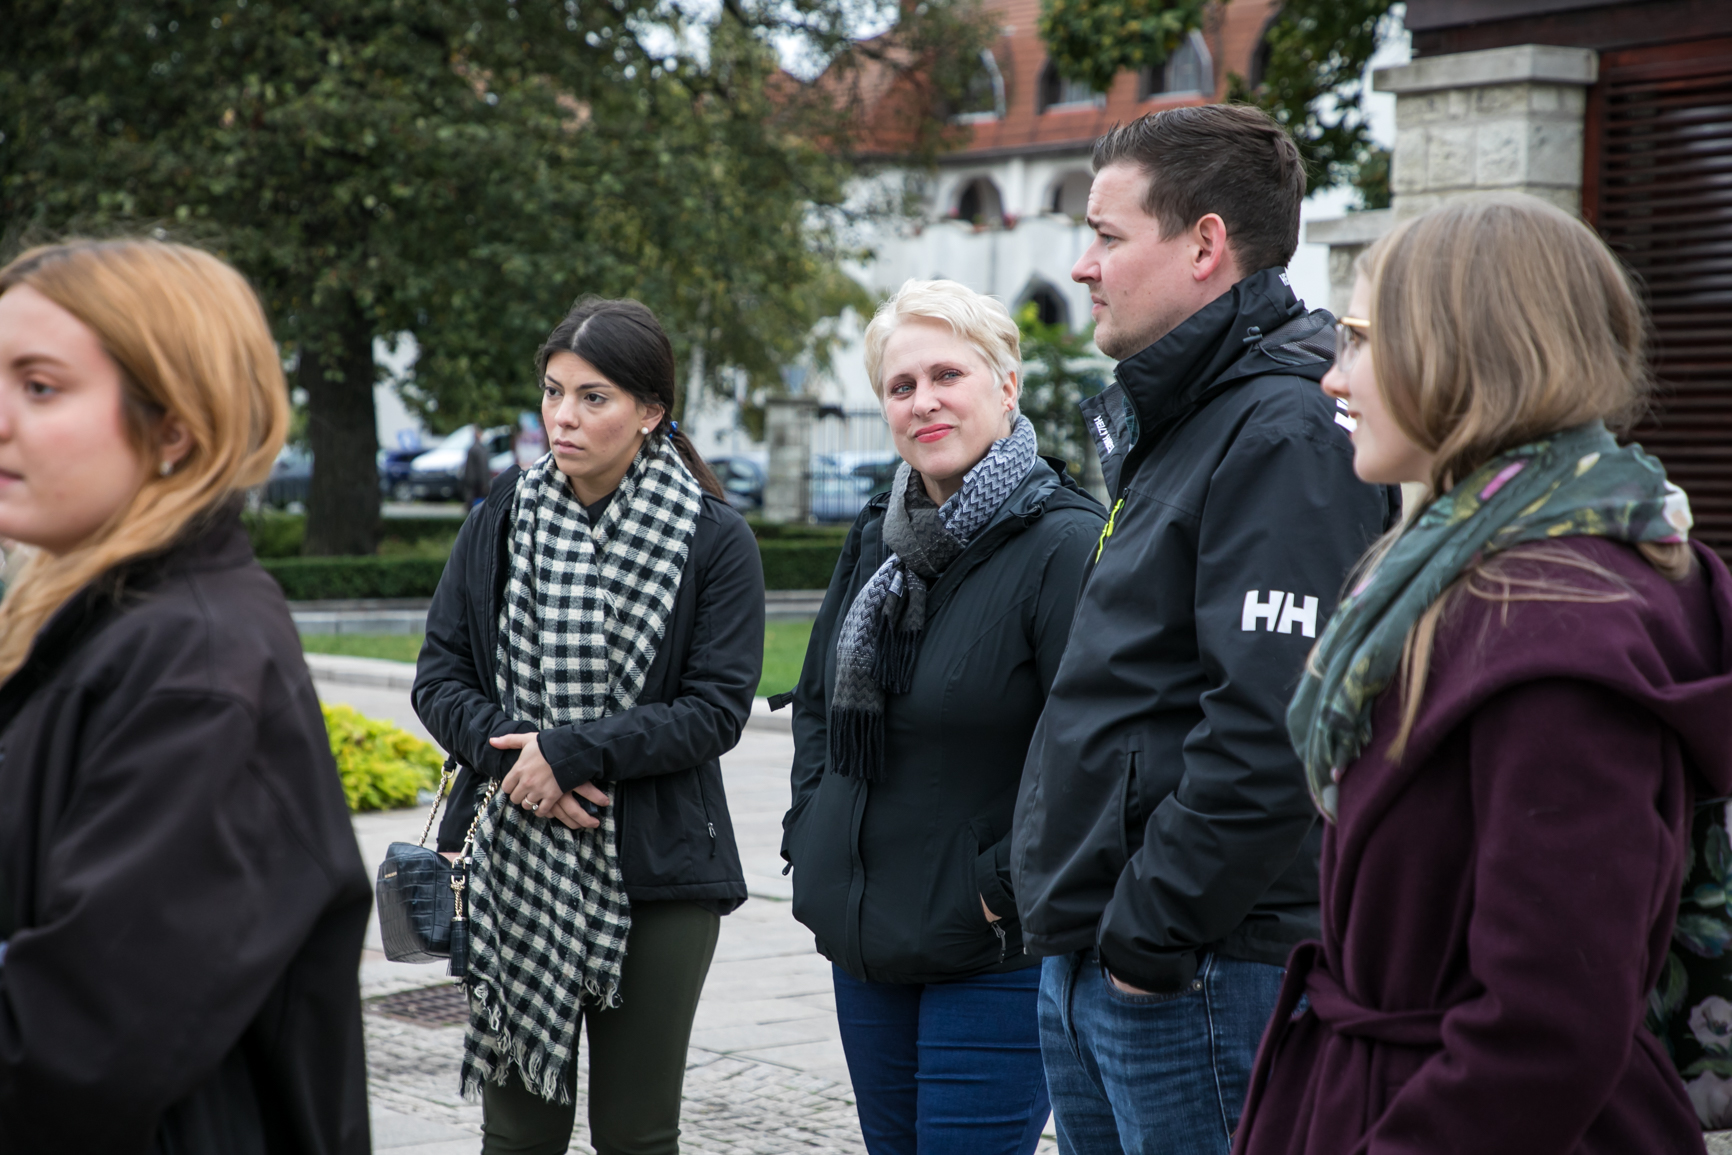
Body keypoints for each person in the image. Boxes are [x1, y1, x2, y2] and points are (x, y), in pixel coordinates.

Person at [1233, 194, 1732, 1154]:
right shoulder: (1466, 568)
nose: (1334, 377)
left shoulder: (1554, 632)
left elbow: (1545, 1025)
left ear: (1470, 350)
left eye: (1361, 337)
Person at [1009, 104, 1400, 1154]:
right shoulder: (1192, 410)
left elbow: (1272, 725)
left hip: (1198, 970)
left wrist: (1148, 937)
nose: (1082, 267)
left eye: (1105, 235)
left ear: (1204, 245)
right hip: (1116, 952)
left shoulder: (1281, 426)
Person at [0, 238, 371, 1152]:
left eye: (39, 386)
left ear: (175, 428)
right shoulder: (109, 621)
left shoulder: (195, 666)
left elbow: (69, 1051)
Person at [412, 296, 764, 1155]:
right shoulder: (502, 517)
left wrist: (568, 753)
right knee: (518, 1133)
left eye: (594, 397)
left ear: (650, 411)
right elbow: (439, 678)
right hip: (512, 859)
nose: (563, 417)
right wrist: (518, 763)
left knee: (637, 1134)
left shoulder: (715, 540)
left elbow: (714, 710)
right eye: (553, 391)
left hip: (661, 873)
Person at [780, 279, 1104, 1155]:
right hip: (866, 932)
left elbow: (1089, 748)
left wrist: (1000, 890)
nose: (923, 400)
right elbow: (817, 702)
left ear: (1006, 385)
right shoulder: (878, 535)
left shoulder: (1064, 542)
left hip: (991, 948)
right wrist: (812, 825)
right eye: (900, 384)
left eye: (947, 374)